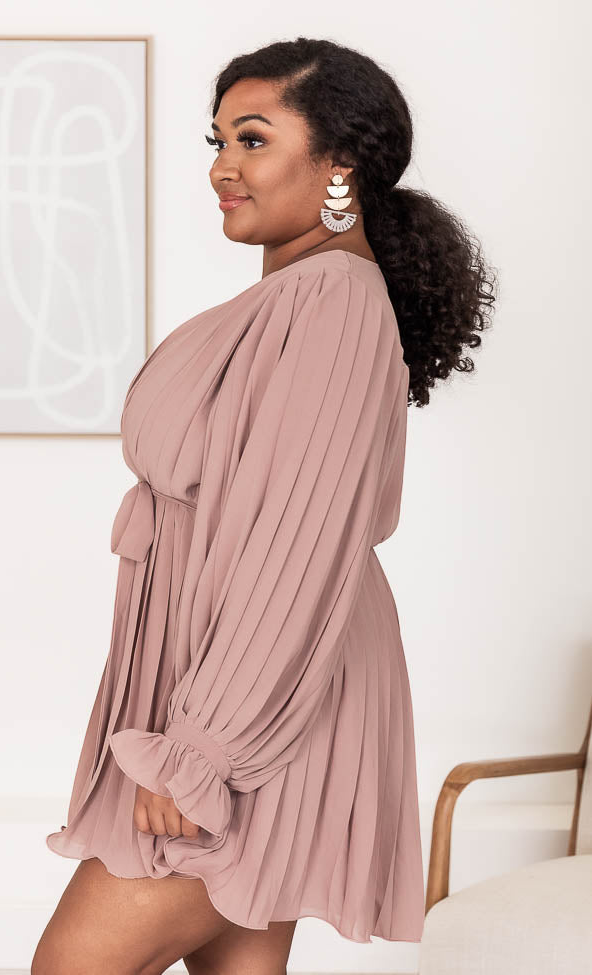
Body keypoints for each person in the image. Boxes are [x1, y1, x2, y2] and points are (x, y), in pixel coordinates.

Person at [33, 36, 496, 975]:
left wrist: (202, 750)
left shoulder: (331, 305)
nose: (222, 167)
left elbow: (298, 549)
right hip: (249, 689)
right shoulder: (303, 300)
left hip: (255, 707)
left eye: (253, 139)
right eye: (218, 141)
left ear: (340, 166)